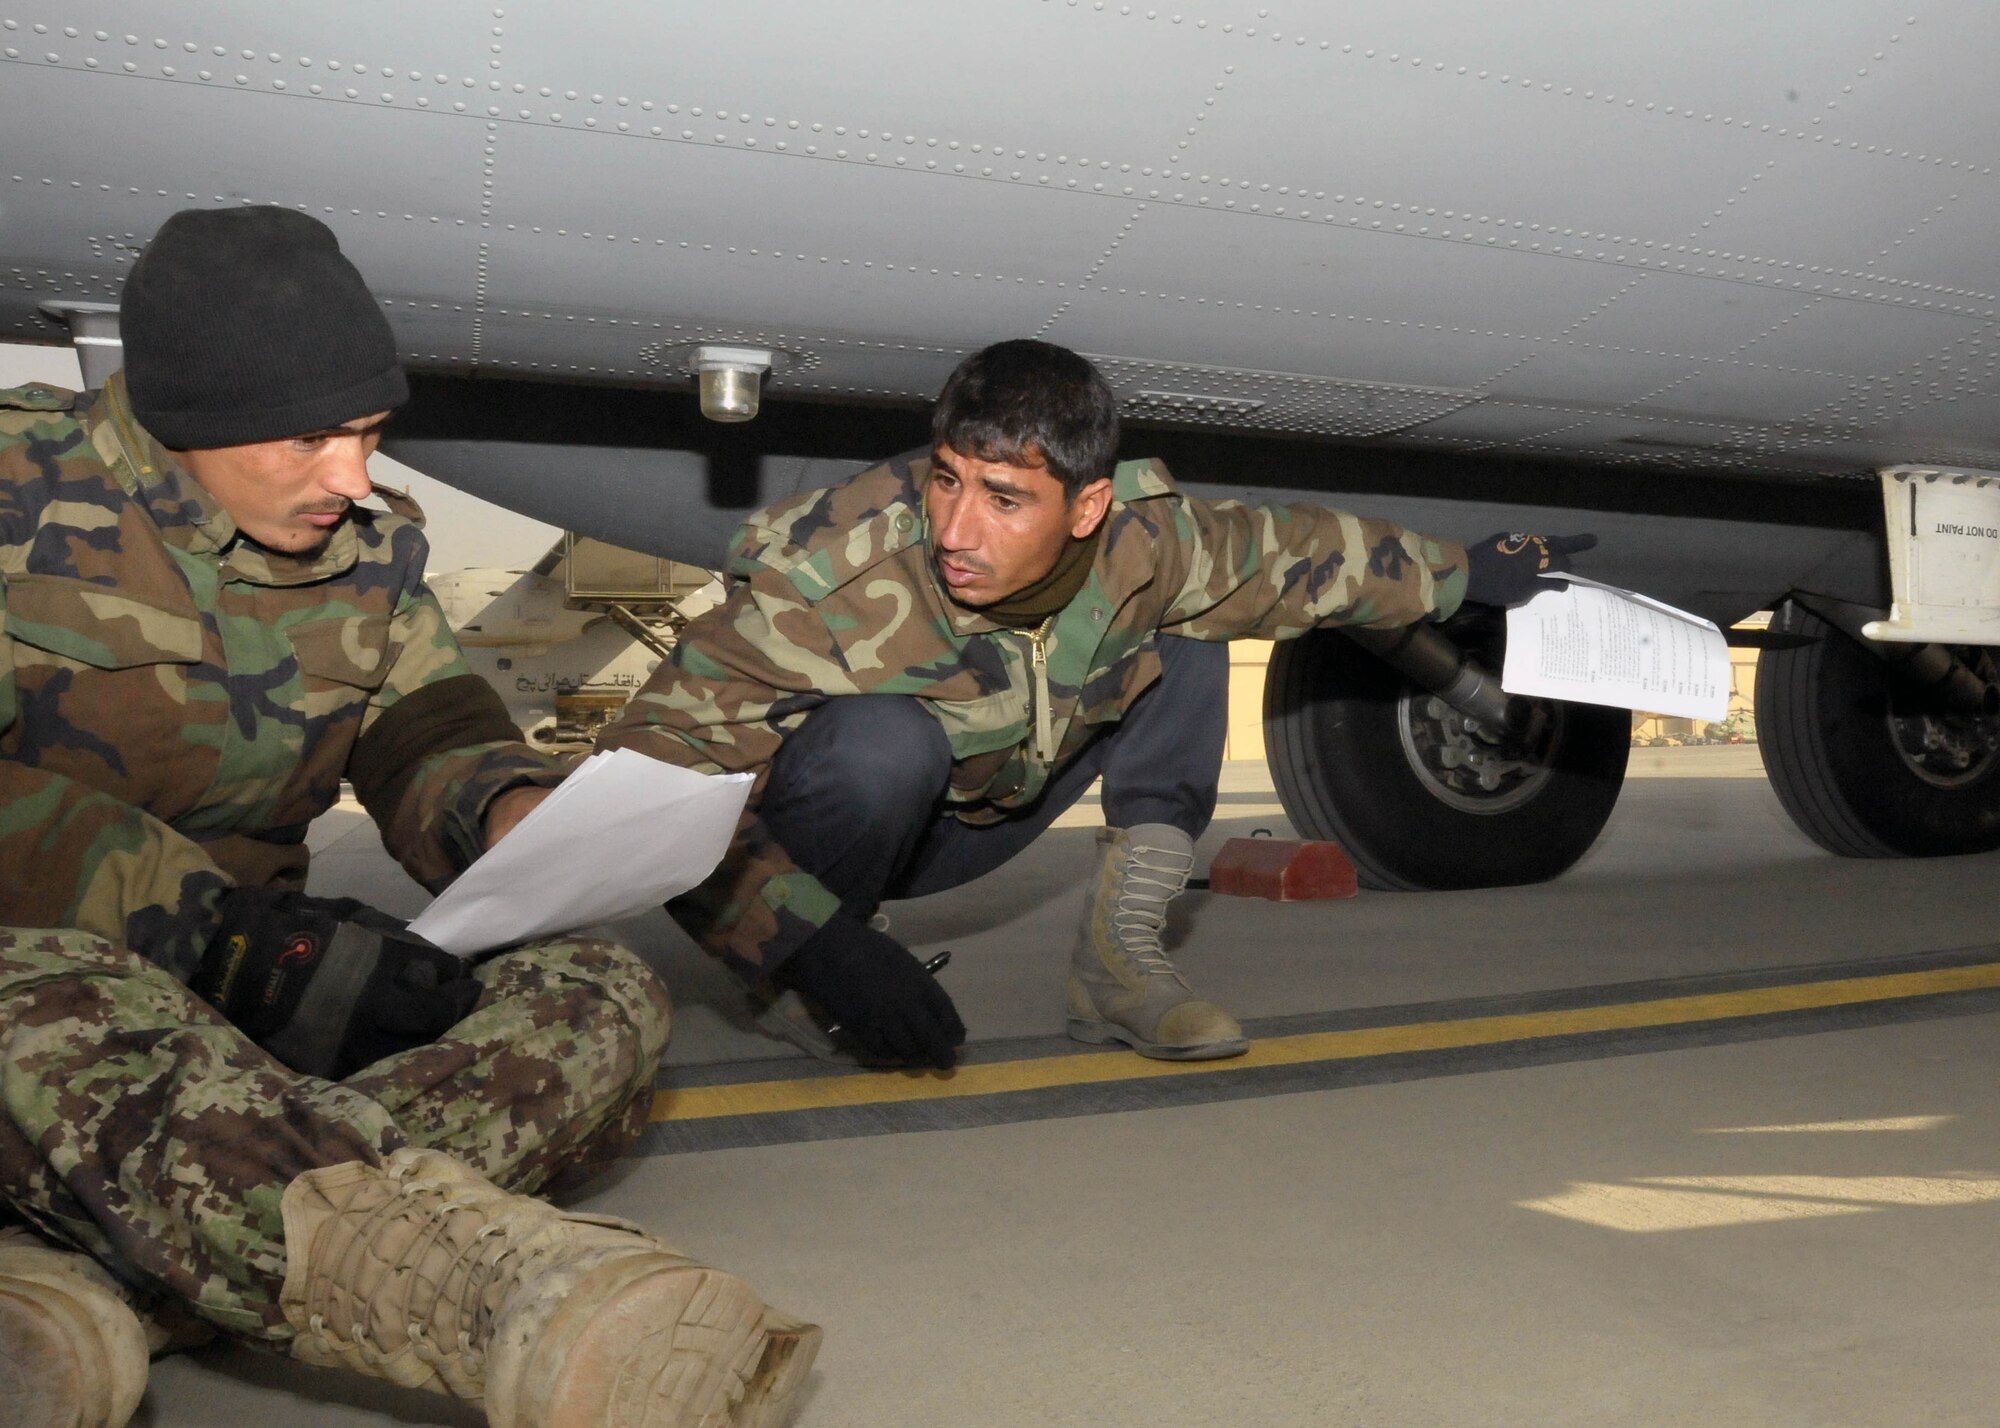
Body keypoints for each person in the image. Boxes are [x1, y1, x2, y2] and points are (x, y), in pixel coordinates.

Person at [0, 207, 816, 1428]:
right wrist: (209, 930)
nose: (352, 477)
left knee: (599, 994)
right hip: (54, 969)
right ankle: (461, 1294)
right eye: (313, 438)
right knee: (59, 1006)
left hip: (246, 984)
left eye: (370, 434)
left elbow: (427, 729)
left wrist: (519, 822)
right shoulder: (18, 499)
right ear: (185, 416)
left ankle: (99, 1278)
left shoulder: (368, 556)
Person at [600, 338, 1591, 1070]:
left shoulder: (1140, 543)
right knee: (881, 742)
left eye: (1001, 498)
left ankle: (1116, 968)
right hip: (839, 823)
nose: (954, 527)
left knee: (1189, 626)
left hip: (989, 807)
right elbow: (648, 782)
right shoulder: (830, 574)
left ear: (1084, 508)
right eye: (945, 480)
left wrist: (1462, 577)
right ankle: (794, 987)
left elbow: (1297, 556)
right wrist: (809, 944)